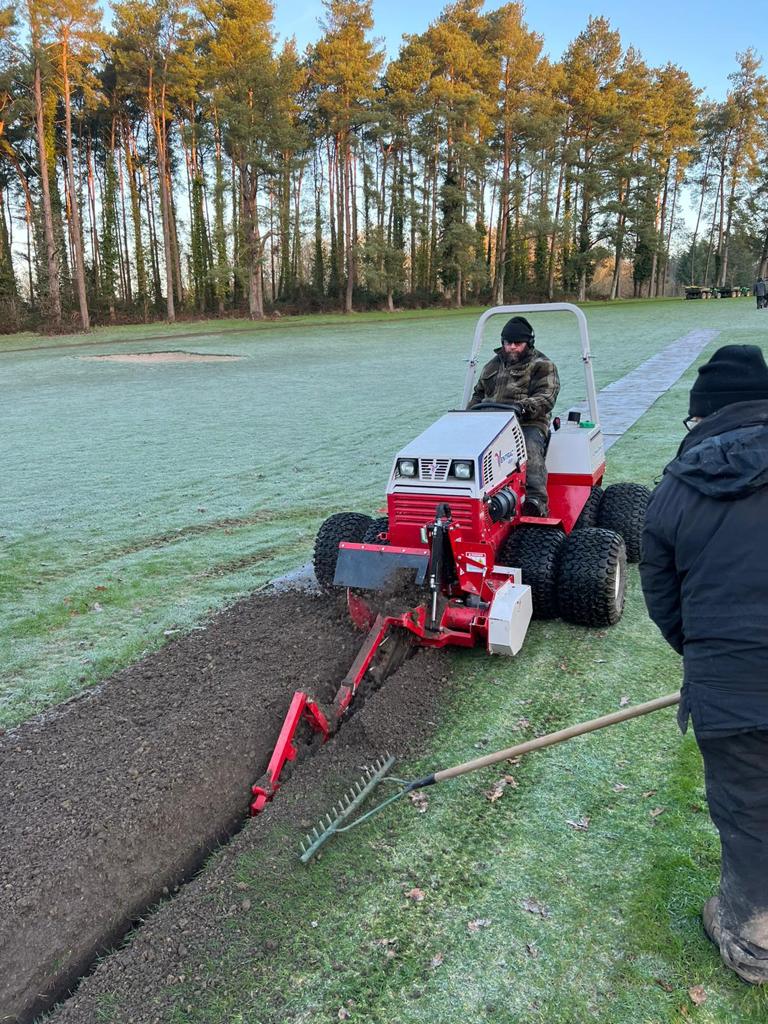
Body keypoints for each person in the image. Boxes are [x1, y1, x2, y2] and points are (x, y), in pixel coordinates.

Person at [640, 344, 768, 985]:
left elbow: (664, 602)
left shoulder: (675, 490)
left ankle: (753, 943)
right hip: (732, 679)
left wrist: (712, 665)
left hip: (731, 695)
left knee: (749, 813)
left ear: (705, 416)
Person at [467, 316, 560, 516]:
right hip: (490, 422)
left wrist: (524, 407)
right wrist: (468, 415)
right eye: (508, 343)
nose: (512, 347)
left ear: (529, 343)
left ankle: (536, 500)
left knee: (529, 447)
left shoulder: (543, 365)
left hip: (527, 422)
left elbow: (547, 396)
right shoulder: (492, 366)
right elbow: (478, 394)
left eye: (518, 343)